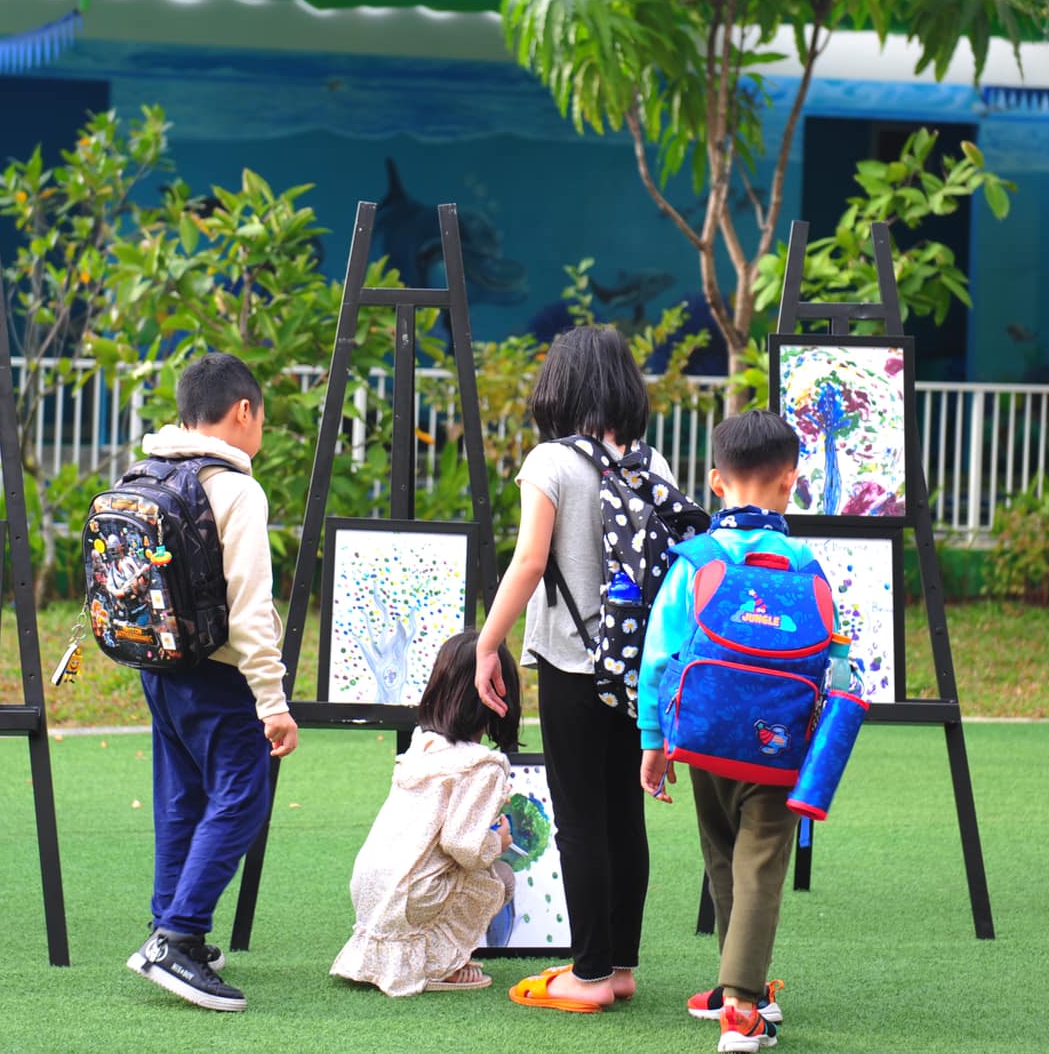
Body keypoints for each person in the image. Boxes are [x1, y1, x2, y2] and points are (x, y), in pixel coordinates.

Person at [637, 409, 860, 1054]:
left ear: (716, 482)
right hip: (780, 745)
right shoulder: (807, 567)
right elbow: (835, 664)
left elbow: (659, 654)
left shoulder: (697, 560)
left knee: (721, 851)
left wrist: (653, 739)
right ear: (790, 482)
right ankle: (742, 1003)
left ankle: (740, 989)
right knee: (761, 861)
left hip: (704, 737)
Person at [474, 325, 668, 1012]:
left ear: (560, 385)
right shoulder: (652, 462)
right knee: (624, 816)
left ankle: (587, 975)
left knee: (581, 819)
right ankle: (619, 966)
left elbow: (530, 561)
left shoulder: (551, 462)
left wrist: (487, 644)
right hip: (639, 667)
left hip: (572, 665)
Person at [128, 352, 300, 1013]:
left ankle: (170, 926)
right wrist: (272, 703)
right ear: (243, 411)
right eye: (262, 419)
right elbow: (251, 609)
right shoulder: (235, 489)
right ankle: (177, 938)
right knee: (242, 800)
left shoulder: (146, 471)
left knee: (180, 798)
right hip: (220, 676)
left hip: (160, 667)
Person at [332, 632, 525, 997]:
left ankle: (416, 955)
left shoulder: (423, 744)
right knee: (500, 878)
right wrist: (496, 842)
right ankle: (441, 964)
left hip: (370, 889)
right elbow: (463, 845)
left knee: (455, 874)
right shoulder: (482, 765)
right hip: (411, 899)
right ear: (500, 696)